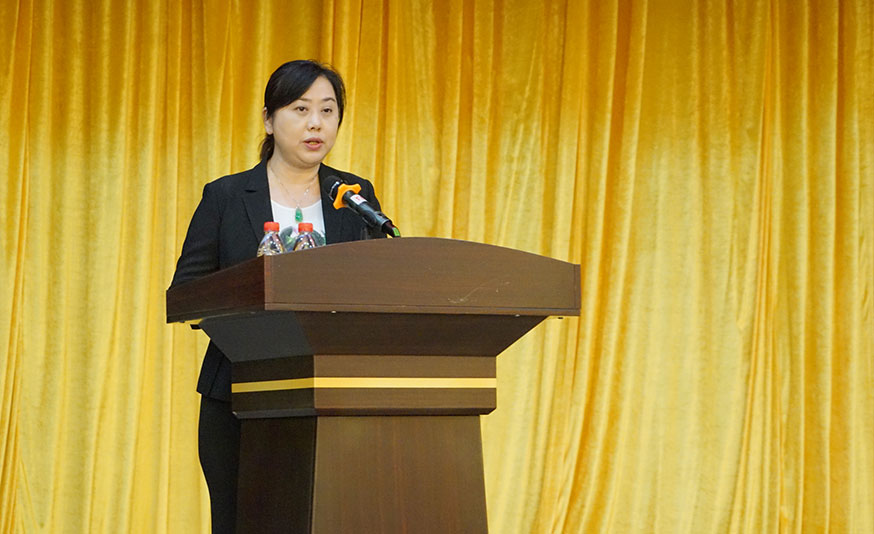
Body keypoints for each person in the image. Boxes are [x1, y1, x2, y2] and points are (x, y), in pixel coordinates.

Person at [169, 60, 384, 533]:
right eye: (300, 109)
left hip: (332, 394)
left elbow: (378, 282)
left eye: (328, 110)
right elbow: (186, 292)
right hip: (239, 392)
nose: (316, 123)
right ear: (269, 120)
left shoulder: (353, 195)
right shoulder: (226, 197)